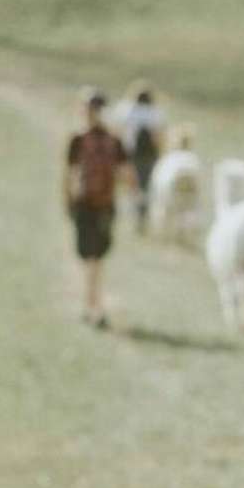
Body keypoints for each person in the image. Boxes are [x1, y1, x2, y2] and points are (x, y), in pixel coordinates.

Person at [63, 88, 129, 328]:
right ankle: (95, 305)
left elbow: (69, 175)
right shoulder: (115, 141)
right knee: (97, 260)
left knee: (89, 259)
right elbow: (126, 175)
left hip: (83, 204)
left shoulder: (77, 139)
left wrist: (67, 201)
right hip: (105, 206)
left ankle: (90, 305)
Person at [117, 80, 166, 234]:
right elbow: (158, 137)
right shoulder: (155, 113)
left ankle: (134, 215)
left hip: (131, 154)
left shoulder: (128, 110)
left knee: (132, 186)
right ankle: (142, 217)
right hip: (149, 156)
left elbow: (119, 129)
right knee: (145, 186)